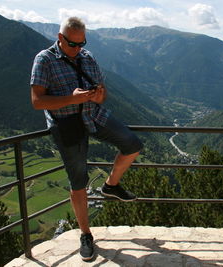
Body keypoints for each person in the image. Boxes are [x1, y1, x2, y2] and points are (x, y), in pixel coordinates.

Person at [30, 17, 143, 262]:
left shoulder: (88, 57)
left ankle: (111, 185)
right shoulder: (44, 60)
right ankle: (86, 235)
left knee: (132, 144)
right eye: (73, 44)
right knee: (78, 181)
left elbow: (103, 94)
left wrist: (99, 95)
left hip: (94, 115)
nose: (78, 48)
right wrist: (72, 99)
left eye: (82, 43)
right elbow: (37, 101)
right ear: (60, 38)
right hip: (68, 124)